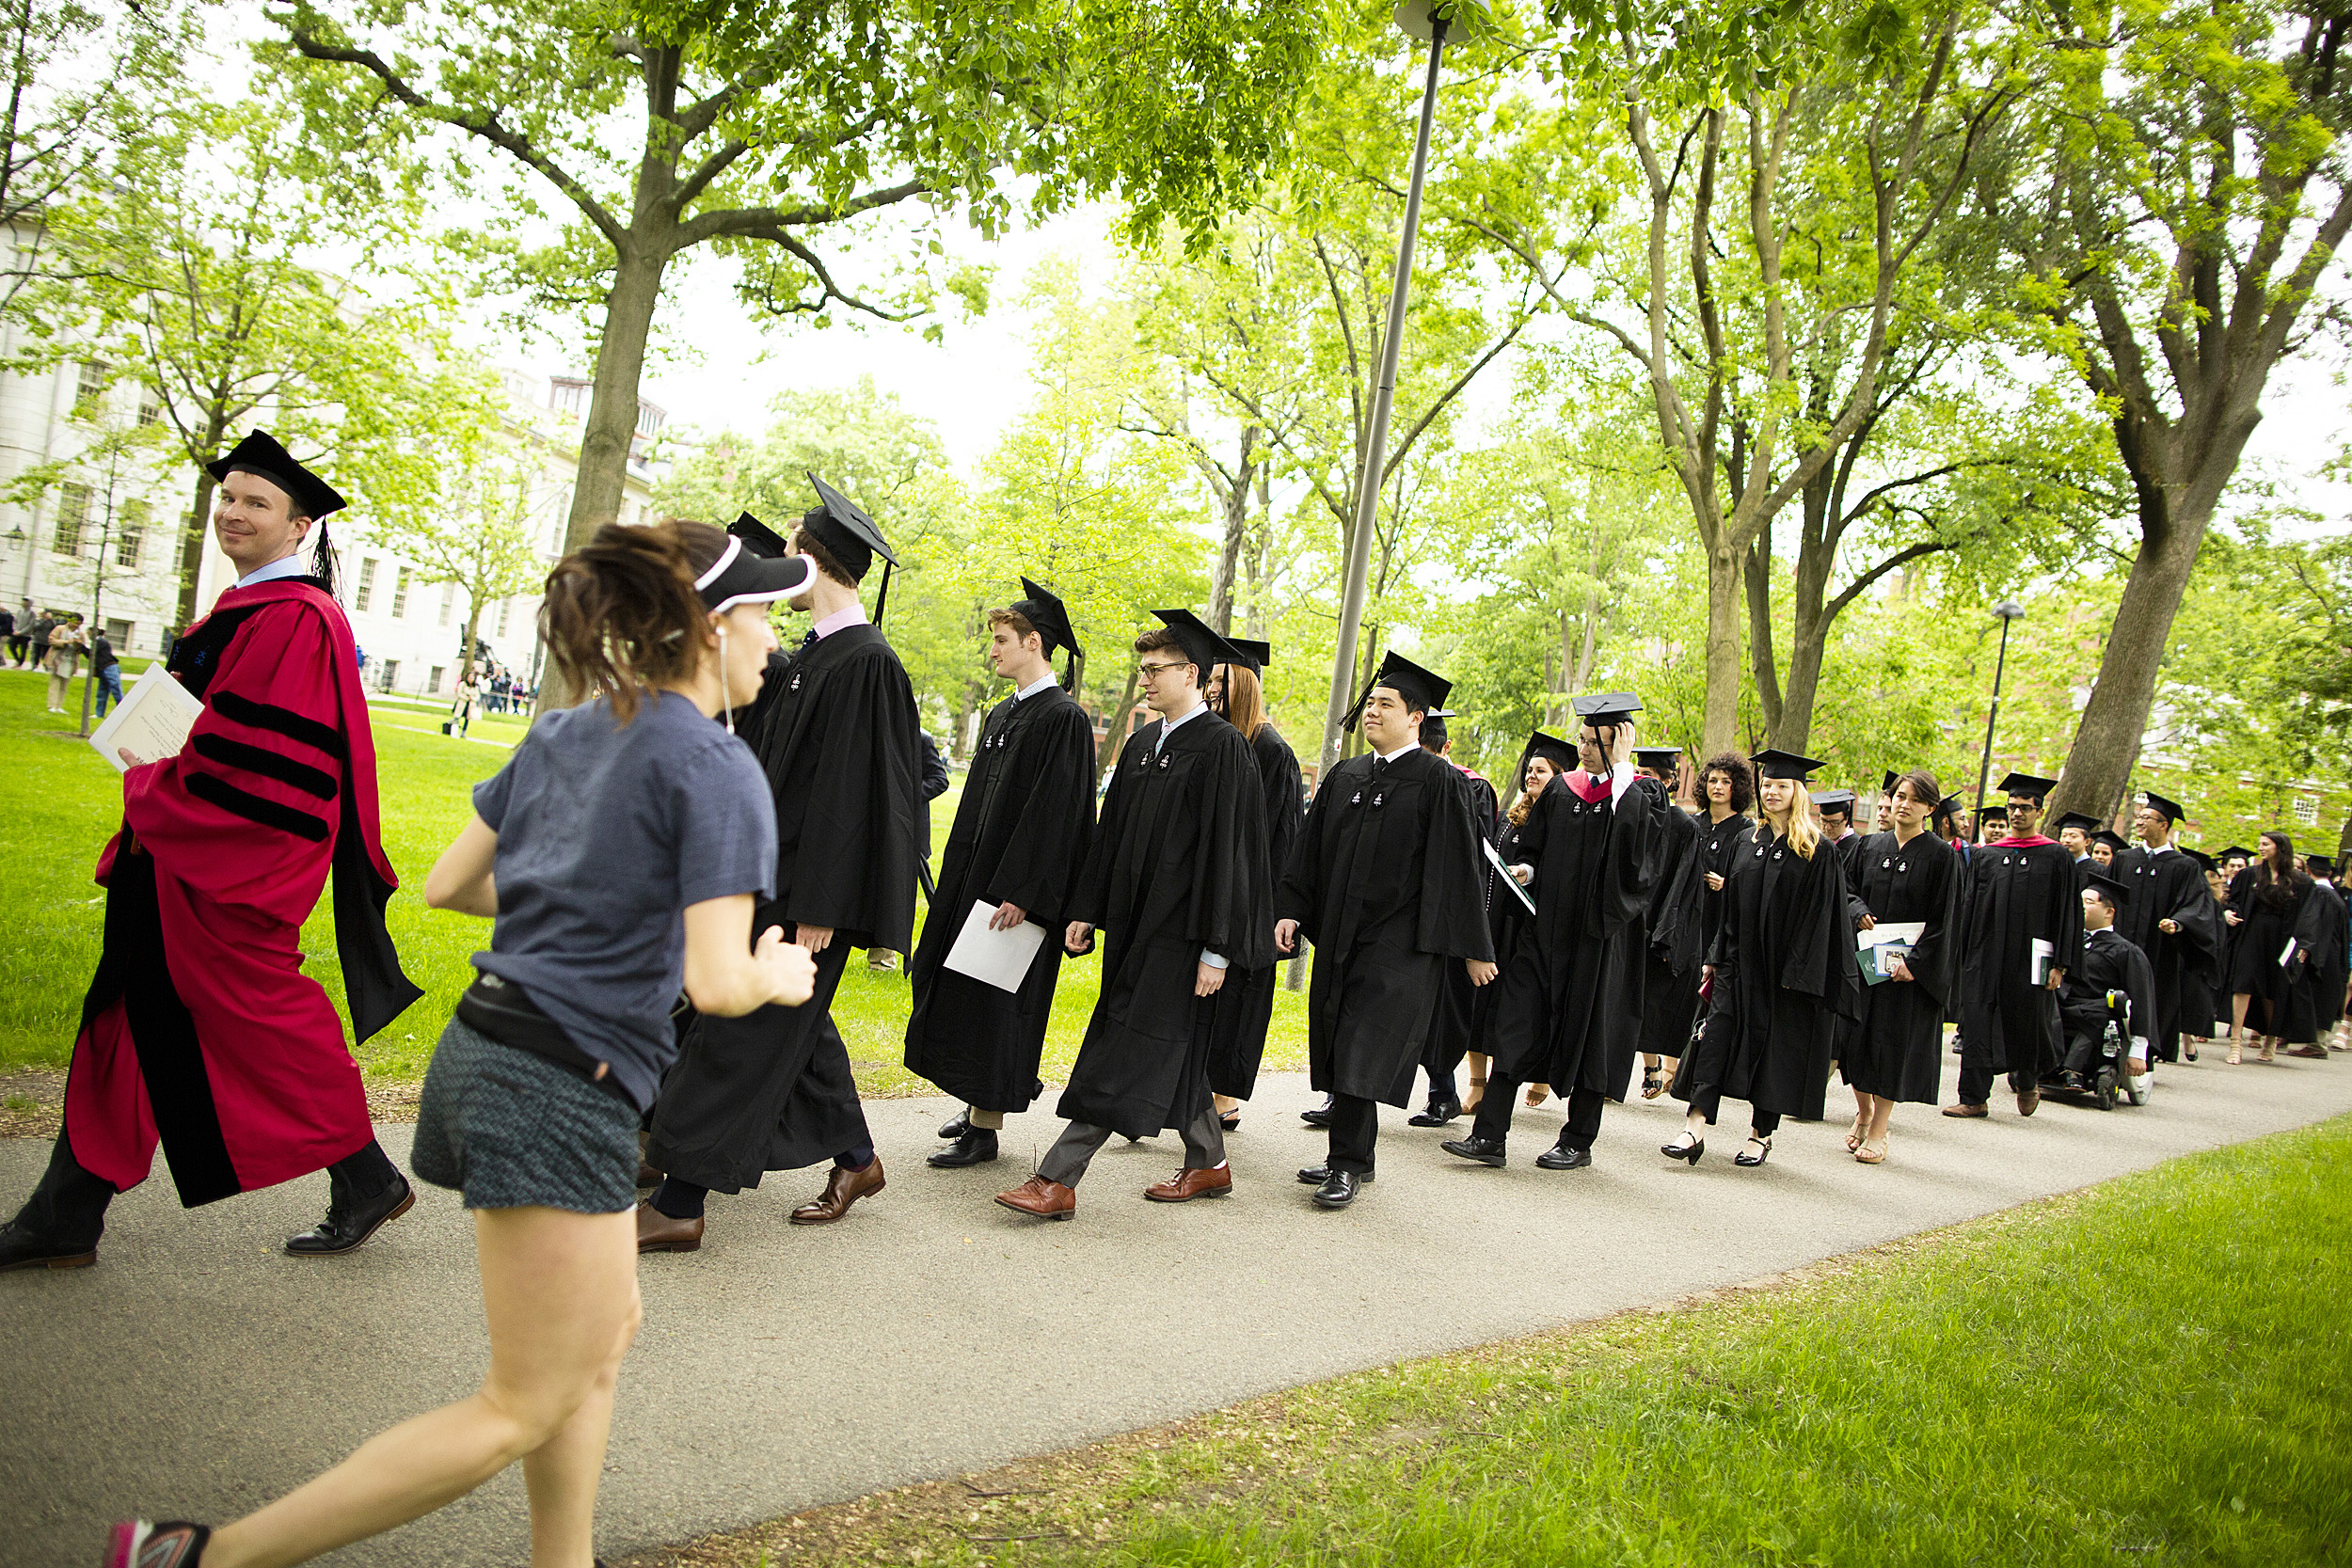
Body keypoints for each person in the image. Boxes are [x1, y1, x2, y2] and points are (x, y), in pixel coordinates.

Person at [98, 519, 821, 1568]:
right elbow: (718, 980)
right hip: (561, 1085)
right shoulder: (719, 769)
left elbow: (454, 883)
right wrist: (777, 973)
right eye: (762, 615)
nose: (774, 641)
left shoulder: (570, 729)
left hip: (491, 1053)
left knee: (601, 1334)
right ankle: (197, 1555)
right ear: (710, 630)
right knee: (517, 1402)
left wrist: (585, 906)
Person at [2, 432, 423, 1274]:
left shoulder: (296, 620)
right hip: (174, 856)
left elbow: (263, 771)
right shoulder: (240, 612)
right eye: (229, 497)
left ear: (300, 526)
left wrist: (151, 786)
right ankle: (66, 1211)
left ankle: (368, 1173)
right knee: (128, 1019)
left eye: (257, 502)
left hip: (223, 867)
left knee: (260, 1020)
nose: (235, 511)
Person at [640, 490, 925, 1250]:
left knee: (740, 1034)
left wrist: (822, 906)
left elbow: (854, 800)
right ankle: (858, 1159)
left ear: (807, 558)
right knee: (776, 1029)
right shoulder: (818, 656)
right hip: (763, 878)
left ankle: (679, 1198)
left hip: (805, 895)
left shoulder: (866, 662)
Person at [994, 610, 1273, 1220]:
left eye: (1155, 670)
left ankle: (1058, 1178)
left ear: (1191, 672)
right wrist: (1085, 910)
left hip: (1183, 935)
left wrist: (1216, 948)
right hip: (1132, 930)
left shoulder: (1222, 748)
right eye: (1142, 669)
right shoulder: (1145, 743)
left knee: (1121, 1046)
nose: (1144, 680)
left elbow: (1231, 855)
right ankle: (1209, 1162)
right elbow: (1109, 835)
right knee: (1164, 1046)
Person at [1277, 652, 1495, 1207]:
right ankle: (1358, 1156)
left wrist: (1473, 947)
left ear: (1415, 717)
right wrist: (1291, 909)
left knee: (1363, 1046)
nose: (1372, 712)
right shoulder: (1346, 776)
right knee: (1338, 1038)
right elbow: (1309, 853)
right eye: (1370, 702)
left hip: (1399, 943)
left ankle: (1345, 1162)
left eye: (1385, 704)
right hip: (1340, 935)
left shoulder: (1439, 781)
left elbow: (1459, 867)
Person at [906, 580, 1097, 1168]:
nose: (992, 650)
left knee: (995, 1002)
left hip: (1014, 894)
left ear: (1033, 643)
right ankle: (973, 1109)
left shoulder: (1062, 718)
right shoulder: (1003, 712)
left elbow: (1057, 817)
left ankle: (986, 1128)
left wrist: (1020, 892)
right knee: (960, 990)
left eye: (1001, 640)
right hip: (974, 881)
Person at [1441, 693, 1664, 1175]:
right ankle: (1489, 1136)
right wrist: (1525, 869)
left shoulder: (1641, 796)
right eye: (1582, 739)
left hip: (1600, 943)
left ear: (1619, 742)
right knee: (1515, 1024)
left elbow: (1638, 866)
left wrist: (1623, 774)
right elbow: (1537, 850)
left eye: (1593, 742)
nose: (1582, 749)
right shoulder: (1564, 791)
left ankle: (1578, 1139)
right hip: (1544, 937)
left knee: (1591, 1035)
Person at [1664, 750, 1859, 1167]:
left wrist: (1801, 973)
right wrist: (1716, 957)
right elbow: (1731, 907)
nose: (1772, 792)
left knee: (1774, 1052)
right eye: (1767, 785)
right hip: (1738, 964)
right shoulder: (1747, 841)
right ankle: (1694, 1126)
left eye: (1782, 786)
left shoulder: (1818, 851)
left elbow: (1822, 918)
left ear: (1798, 792)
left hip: (1784, 974)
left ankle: (1761, 1134)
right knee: (1713, 1038)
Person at [1203, 637, 1307, 1129]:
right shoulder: (1220, 739)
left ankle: (1225, 1098)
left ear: (1243, 684)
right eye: (1209, 680)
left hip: (1255, 896)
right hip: (1219, 889)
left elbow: (1282, 838)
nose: (1210, 690)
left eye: (1221, 681)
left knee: (1241, 1000)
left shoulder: (1271, 750)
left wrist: (1274, 909)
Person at [1840, 769, 1962, 1164]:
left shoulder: (1942, 856)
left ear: (1929, 808)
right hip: (1867, 962)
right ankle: (1864, 1111)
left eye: (1913, 798)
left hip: (1906, 973)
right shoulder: (1869, 846)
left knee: (1891, 1048)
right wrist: (1857, 911)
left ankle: (1879, 1130)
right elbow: (1846, 889)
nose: (1902, 804)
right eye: (1897, 796)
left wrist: (1918, 963)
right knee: (1854, 1043)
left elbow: (1948, 918)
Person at [1944, 772, 2079, 1119]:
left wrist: (2059, 964)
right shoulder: (1988, 855)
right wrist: (1963, 953)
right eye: (2012, 807)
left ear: (2039, 811)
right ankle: (1973, 1097)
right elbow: (1970, 905)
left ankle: (2028, 1079)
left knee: (2027, 1019)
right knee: (1975, 1020)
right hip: (1985, 953)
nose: (2016, 814)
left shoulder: (2055, 857)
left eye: (2024, 808)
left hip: (2031, 955)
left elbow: (2066, 912)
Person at [1456, 735, 1571, 1118]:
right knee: (1481, 1003)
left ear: (1559, 776)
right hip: (1498, 923)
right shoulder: (1511, 817)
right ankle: (1477, 1081)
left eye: (1540, 770)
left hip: (1532, 929)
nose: (1531, 776)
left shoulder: (1563, 819)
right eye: (1530, 770)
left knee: (1516, 1010)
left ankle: (1535, 1076)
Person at [1407, 706, 1498, 1125]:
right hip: (1401, 912)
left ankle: (1442, 1092)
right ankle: (1347, 1096)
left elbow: (1468, 860)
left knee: (1439, 1011)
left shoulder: (1469, 786)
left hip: (1443, 914)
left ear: (1443, 747)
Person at [2107, 791, 2220, 1069]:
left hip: (2160, 948)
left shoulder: (2184, 866)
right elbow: (2107, 894)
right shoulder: (2125, 859)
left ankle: (2147, 1050)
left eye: (2147, 817)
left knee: (2154, 995)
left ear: (2164, 825)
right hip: (2120, 943)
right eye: (2140, 816)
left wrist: (2178, 922)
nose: (2140, 821)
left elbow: (2197, 905)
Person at [1632, 744, 1702, 1100]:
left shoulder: (1683, 826)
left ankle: (1654, 1066)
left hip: (1654, 924)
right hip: (1626, 920)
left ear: (1669, 781)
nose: (1642, 781)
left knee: (1648, 1001)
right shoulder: (1627, 813)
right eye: (1639, 774)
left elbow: (1680, 885)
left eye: (1650, 777)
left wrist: (1664, 933)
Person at [2059, 869, 2157, 1098]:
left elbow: (2142, 1000)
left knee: (2104, 1011)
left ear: (2109, 912)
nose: (2080, 905)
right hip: (2064, 1005)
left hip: (2097, 1012)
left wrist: (2138, 1050)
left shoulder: (2126, 951)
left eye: (2088, 901)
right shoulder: (2068, 941)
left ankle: (2072, 1070)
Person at [2223, 832, 2313, 1065]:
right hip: (2252, 935)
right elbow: (2232, 900)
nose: (2260, 848)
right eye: (2260, 844)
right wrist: (2228, 913)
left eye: (2266, 844)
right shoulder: (2249, 875)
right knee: (2242, 985)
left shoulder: (2301, 881)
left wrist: (2304, 944)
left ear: (2280, 848)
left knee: (2272, 991)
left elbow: (2307, 916)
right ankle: (2235, 1043)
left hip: (2281, 940)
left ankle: (2270, 1040)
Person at [867, 729, 950, 974]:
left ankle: (883, 961)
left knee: (896, 894)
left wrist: (904, 797)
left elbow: (940, 780)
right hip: (879, 828)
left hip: (909, 832)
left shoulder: (922, 738)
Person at [44, 611, 86, 712]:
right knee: (55, 682)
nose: (76, 625)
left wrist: (78, 644)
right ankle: (52, 705)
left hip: (70, 660)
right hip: (58, 658)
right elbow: (51, 640)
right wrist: (65, 642)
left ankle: (59, 706)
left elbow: (82, 649)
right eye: (75, 622)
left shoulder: (80, 634)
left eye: (79, 623)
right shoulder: (60, 629)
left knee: (64, 685)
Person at [89, 626, 122, 718]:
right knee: (102, 691)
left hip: (110, 668)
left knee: (116, 690)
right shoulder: (98, 642)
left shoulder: (100, 642)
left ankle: (123, 710)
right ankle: (99, 714)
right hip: (103, 669)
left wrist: (81, 647)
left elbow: (91, 654)